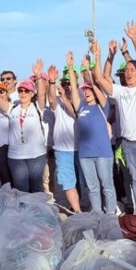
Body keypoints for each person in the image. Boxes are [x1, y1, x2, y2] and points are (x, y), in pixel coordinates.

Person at [94, 22, 136, 215]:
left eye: (132, 69)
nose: (129, 71)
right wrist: (102, 55)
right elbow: (100, 79)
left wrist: (135, 40)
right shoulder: (120, 91)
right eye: (126, 70)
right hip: (128, 144)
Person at [66, 53, 116, 213]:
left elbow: (96, 86)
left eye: (89, 90)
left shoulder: (103, 106)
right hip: (85, 155)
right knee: (92, 188)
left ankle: (110, 214)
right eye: (85, 91)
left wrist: (89, 71)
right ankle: (97, 213)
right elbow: (74, 89)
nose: (86, 92)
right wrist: (71, 67)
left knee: (107, 186)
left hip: (102, 153)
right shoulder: (81, 107)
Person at [0, 60, 48, 193]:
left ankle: (38, 212)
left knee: (37, 188)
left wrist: (38, 76)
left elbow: (43, 94)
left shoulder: (37, 107)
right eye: (21, 90)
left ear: (32, 93)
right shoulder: (12, 108)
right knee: (21, 189)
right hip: (16, 157)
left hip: (36, 155)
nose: (23, 93)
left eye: (26, 91)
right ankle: (24, 214)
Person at [47, 64, 83, 212]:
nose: (67, 86)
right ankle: (78, 211)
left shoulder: (82, 100)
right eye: (64, 84)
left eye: (70, 83)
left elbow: (75, 113)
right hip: (63, 150)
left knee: (86, 182)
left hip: (82, 149)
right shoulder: (58, 102)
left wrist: (66, 99)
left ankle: (89, 207)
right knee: (69, 182)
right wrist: (52, 82)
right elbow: (51, 100)